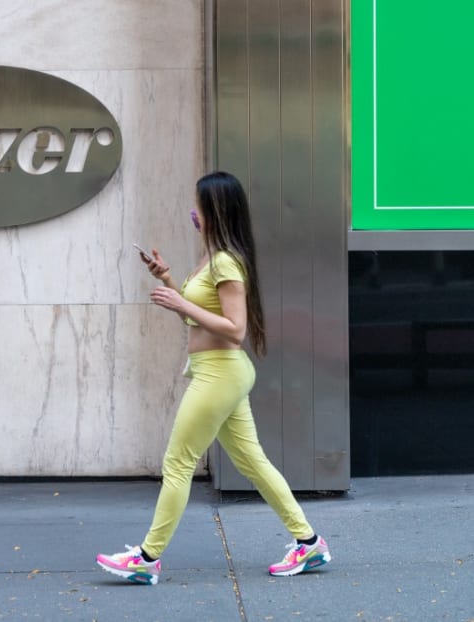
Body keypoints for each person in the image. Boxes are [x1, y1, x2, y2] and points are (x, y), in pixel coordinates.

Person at [96, 171, 331, 585]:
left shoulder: (225, 262)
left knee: (178, 462)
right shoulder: (212, 257)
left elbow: (235, 328)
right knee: (253, 462)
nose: (192, 212)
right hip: (218, 373)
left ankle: (147, 559)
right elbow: (197, 313)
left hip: (220, 374)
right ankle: (308, 542)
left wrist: (175, 302)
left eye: (198, 206)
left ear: (214, 210)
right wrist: (167, 279)